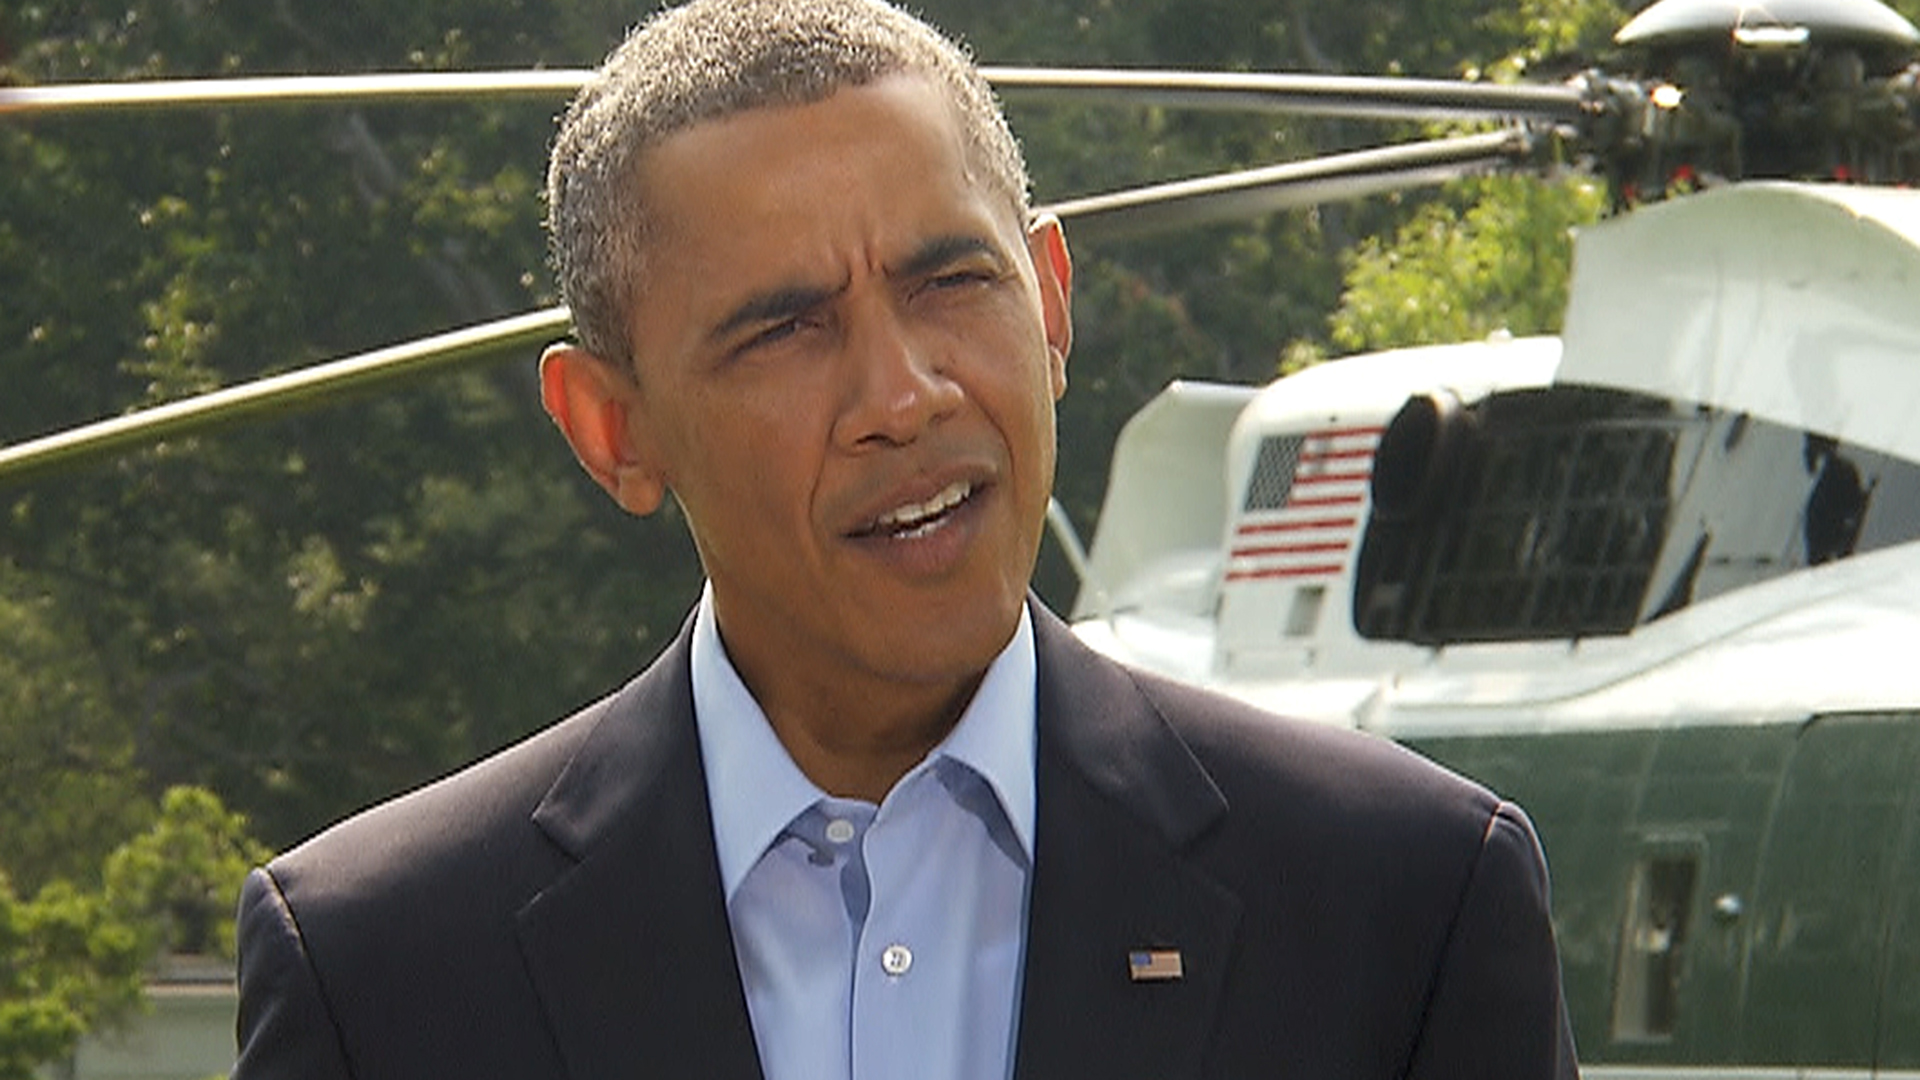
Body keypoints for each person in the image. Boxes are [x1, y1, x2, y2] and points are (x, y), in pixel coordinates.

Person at [232, 1, 1579, 1077]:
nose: (904, 395)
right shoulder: (379, 973)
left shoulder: (1402, 907)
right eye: (785, 329)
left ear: (1051, 306)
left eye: (951, 282)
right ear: (613, 430)